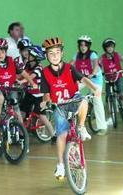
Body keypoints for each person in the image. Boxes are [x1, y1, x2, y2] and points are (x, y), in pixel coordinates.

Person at [40, 37, 100, 179]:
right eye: (51, 53)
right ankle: (61, 165)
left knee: (84, 101)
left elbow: (83, 79)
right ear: (46, 56)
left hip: (73, 100)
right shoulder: (45, 73)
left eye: (57, 52)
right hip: (59, 106)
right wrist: (45, 101)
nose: (54, 56)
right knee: (61, 135)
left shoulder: (69, 68)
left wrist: (94, 87)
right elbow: (46, 93)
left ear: (62, 53)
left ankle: (80, 126)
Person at [0, 38, 24, 134]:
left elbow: (21, 72)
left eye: (2, 52)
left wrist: (28, 81)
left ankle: (23, 132)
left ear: (6, 51)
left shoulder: (11, 60)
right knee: (0, 98)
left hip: (9, 88)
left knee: (16, 106)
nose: (0, 54)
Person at [17, 45, 56, 143]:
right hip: (30, 93)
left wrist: (21, 82)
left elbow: (30, 77)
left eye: (29, 54)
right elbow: (22, 74)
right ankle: (21, 137)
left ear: (34, 57)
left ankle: (53, 136)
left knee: (42, 116)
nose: (27, 55)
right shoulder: (27, 65)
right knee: (22, 113)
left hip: (39, 96)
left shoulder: (39, 68)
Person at [70, 35, 107, 135]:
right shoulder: (77, 55)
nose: (83, 47)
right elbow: (70, 64)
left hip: (95, 80)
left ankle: (102, 127)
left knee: (97, 99)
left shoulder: (92, 54)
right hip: (84, 78)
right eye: (81, 45)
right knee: (71, 91)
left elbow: (95, 65)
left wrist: (93, 73)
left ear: (88, 46)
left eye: (85, 45)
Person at [100, 38, 123, 117]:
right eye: (108, 47)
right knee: (108, 97)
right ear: (105, 48)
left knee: (121, 92)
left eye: (112, 46)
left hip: (118, 77)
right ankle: (111, 116)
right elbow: (97, 66)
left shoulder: (117, 55)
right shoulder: (102, 58)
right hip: (108, 79)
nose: (110, 48)